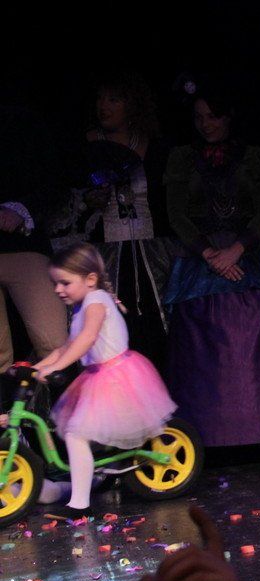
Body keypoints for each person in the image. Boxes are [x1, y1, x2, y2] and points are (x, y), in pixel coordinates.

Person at [163, 87, 260, 447]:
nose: (205, 124)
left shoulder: (252, 156)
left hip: (246, 254)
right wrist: (210, 254)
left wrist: (236, 250)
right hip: (200, 257)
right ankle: (205, 438)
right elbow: (176, 215)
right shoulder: (182, 158)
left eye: (212, 116)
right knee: (203, 343)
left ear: (228, 116)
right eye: (199, 118)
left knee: (253, 330)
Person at [33, 242, 176, 518]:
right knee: (83, 435)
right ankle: (91, 481)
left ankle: (79, 505)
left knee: (76, 433)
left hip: (116, 378)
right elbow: (66, 346)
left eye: (64, 283)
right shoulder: (82, 305)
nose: (58, 289)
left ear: (90, 279)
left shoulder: (96, 300)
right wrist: (34, 367)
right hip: (98, 378)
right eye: (55, 283)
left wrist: (56, 367)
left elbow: (87, 339)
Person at [72, 73, 176, 373]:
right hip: (105, 251)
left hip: (153, 250)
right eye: (100, 99)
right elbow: (68, 205)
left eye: (113, 99)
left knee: (159, 323)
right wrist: (88, 201)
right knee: (111, 325)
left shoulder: (155, 147)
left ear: (132, 105)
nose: (103, 106)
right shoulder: (85, 146)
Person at [0, 105, 69, 372]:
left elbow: (55, 182)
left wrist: (22, 209)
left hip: (25, 247)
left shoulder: (23, 122)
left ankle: (60, 398)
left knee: (53, 344)